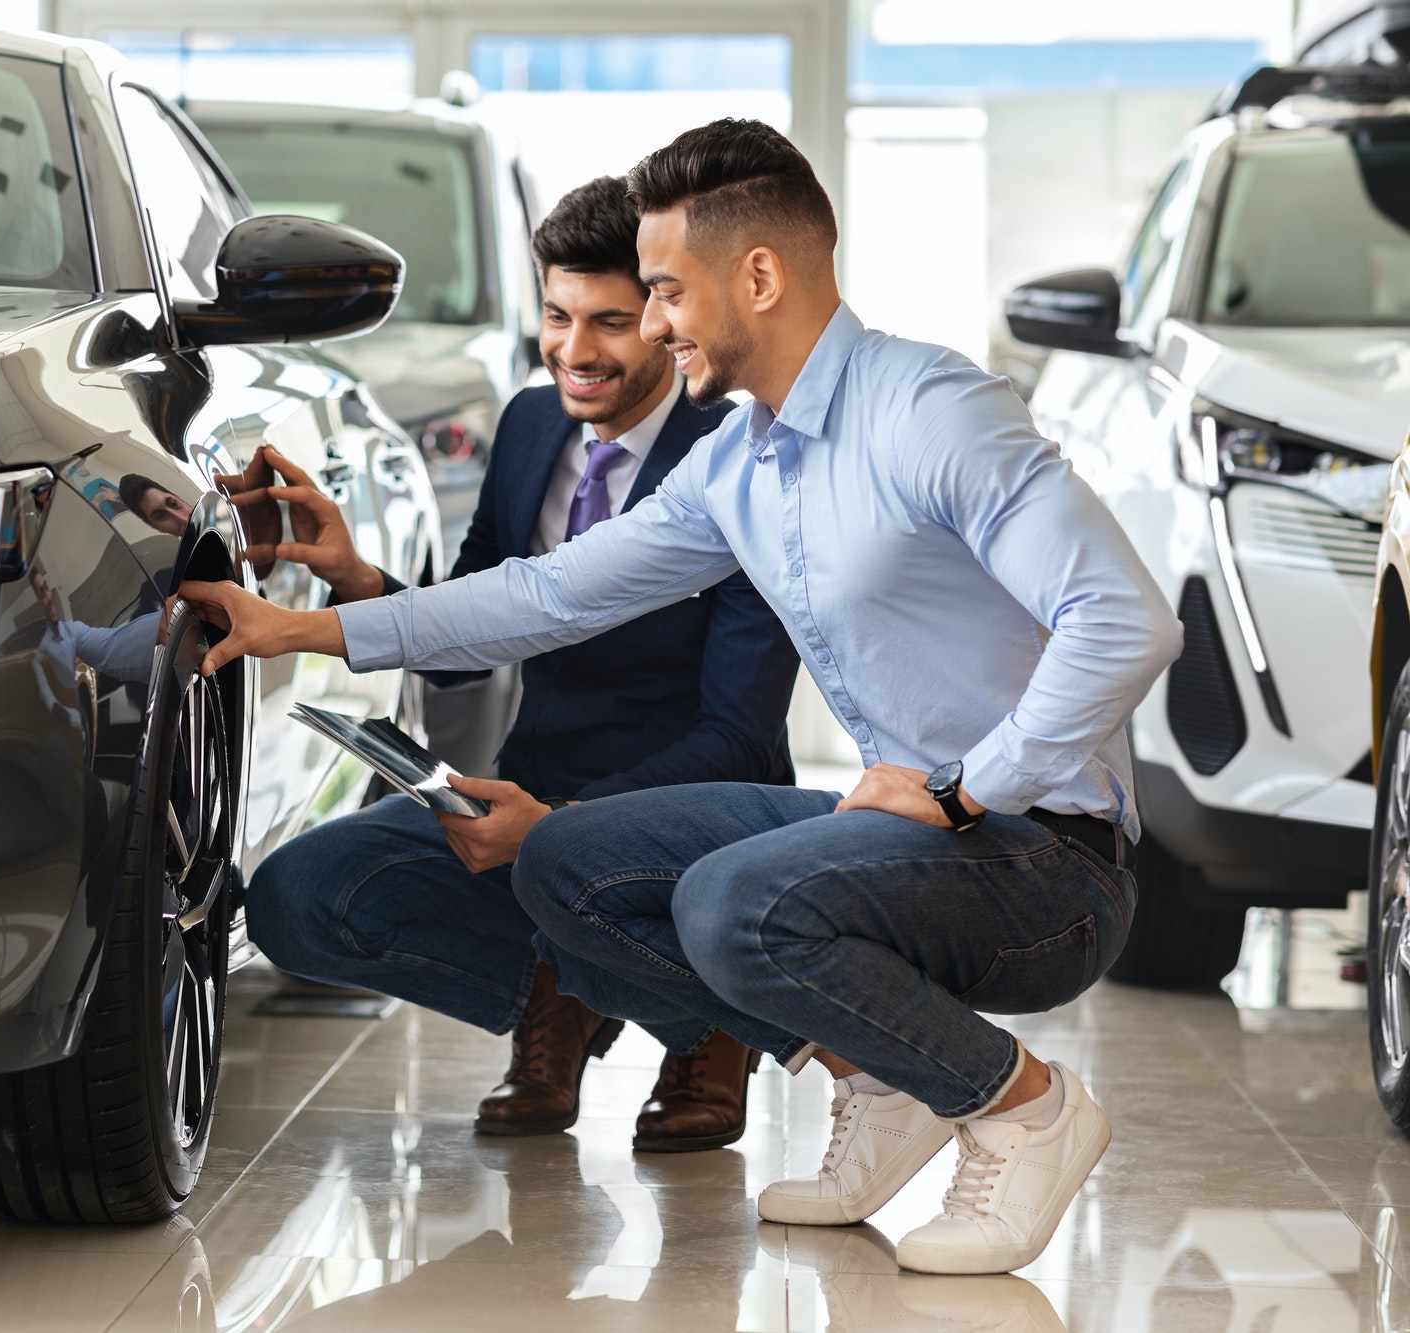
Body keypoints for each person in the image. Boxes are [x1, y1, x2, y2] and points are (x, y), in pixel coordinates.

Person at [180, 118, 1182, 1277]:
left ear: (756, 276)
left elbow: (1123, 619)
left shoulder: (930, 410)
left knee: (728, 905)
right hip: (904, 824)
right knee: (566, 865)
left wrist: (967, 791)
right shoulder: (741, 459)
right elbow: (547, 596)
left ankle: (1022, 1108)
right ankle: (883, 1078)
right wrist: (304, 625)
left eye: (659, 291)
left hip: (1042, 859)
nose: (649, 323)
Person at [232, 175, 800, 1152]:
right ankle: (564, 988)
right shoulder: (532, 425)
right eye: (555, 315)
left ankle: (705, 1019)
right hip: (531, 784)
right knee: (297, 896)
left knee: (590, 860)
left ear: (669, 316)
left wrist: (562, 830)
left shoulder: (743, 461)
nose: (574, 352)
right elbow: (463, 653)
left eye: (610, 323)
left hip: (693, 820)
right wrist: (355, 576)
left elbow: (737, 736)